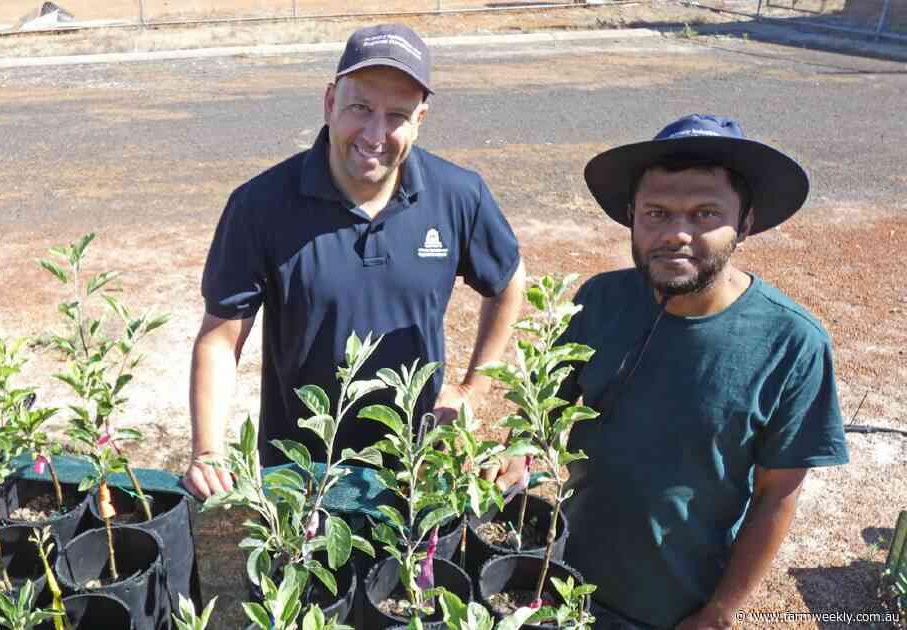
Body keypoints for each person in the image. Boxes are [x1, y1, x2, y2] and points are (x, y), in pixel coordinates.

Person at [184, 23, 528, 500]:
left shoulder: (458, 195)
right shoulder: (260, 205)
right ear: (330, 102)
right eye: (360, 107)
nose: (375, 133)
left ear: (421, 118)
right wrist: (207, 450)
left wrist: (473, 389)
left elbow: (508, 282)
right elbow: (220, 341)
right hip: (300, 468)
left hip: (417, 466)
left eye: (397, 115)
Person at [559, 114, 850, 629]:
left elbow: (777, 494)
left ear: (745, 223)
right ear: (631, 216)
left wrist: (719, 612)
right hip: (562, 578)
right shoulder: (598, 299)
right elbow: (551, 408)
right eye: (656, 212)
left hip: (674, 606)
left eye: (705, 214)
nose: (676, 234)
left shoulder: (791, 343)